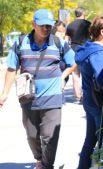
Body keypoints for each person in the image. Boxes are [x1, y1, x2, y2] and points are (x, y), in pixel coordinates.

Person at [0, 9, 76, 169]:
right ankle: (39, 158)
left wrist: (63, 76)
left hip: (52, 97)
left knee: (50, 136)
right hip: (28, 98)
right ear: (33, 24)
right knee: (32, 135)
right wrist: (4, 94)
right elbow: (12, 68)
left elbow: (73, 61)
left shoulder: (58, 43)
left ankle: (47, 165)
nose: (46, 29)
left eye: (49, 25)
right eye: (42, 25)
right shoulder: (20, 43)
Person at [75, 16, 103, 169]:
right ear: (102, 32)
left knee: (90, 141)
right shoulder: (98, 53)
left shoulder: (88, 49)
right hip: (98, 102)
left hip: (89, 100)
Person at [65, 7, 91, 104]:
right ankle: (86, 95)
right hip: (86, 50)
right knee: (86, 73)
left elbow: (66, 40)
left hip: (73, 50)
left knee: (75, 74)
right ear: (83, 13)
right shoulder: (88, 24)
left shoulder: (70, 25)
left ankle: (78, 97)